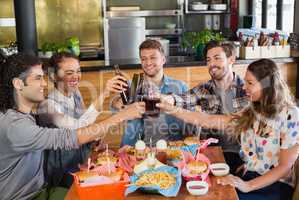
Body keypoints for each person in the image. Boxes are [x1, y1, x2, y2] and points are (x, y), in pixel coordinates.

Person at [0, 53, 144, 200]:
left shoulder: (24, 114)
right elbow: (72, 135)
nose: (44, 84)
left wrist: (92, 140)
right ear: (18, 84)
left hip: (43, 190)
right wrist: (121, 114)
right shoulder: (15, 125)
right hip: (36, 192)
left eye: (42, 77)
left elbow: (80, 129)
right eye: (38, 78)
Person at [158, 58, 299, 200]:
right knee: (209, 191)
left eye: (250, 83)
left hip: (273, 185)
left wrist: (247, 185)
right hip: (250, 175)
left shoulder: (291, 114)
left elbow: (284, 168)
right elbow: (208, 120)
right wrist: (171, 109)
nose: (244, 87)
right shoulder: (253, 110)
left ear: (267, 85)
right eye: (245, 82)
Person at [36, 52, 127, 187]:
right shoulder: (47, 106)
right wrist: (105, 93)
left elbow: (86, 126)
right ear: (53, 76)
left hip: (81, 165)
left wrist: (94, 141)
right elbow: (77, 129)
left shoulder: (75, 94)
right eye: (69, 73)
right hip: (61, 175)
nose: (76, 77)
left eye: (78, 71)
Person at [165, 40, 248, 173]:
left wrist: (248, 162)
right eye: (208, 60)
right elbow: (182, 98)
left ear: (231, 59)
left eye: (217, 58)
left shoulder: (246, 90)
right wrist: (166, 99)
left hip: (240, 155)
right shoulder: (204, 89)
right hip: (210, 152)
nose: (211, 64)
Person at [112, 39, 188, 146]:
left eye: (153, 58)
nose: (148, 63)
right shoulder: (133, 84)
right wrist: (119, 103)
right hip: (136, 149)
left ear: (163, 60)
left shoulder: (179, 86)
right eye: (144, 59)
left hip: (171, 149)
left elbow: (191, 118)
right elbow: (114, 106)